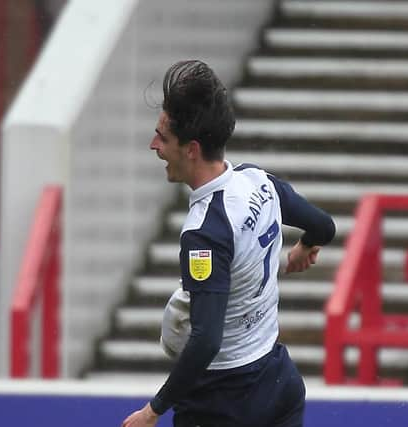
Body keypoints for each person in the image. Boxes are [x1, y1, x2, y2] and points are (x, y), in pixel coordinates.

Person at [122, 60, 336, 427]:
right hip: (278, 383)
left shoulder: (204, 233)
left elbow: (206, 340)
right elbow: (324, 226)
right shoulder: (257, 181)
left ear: (191, 149)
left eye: (162, 137)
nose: (153, 145)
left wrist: (152, 411)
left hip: (223, 403)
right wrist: (304, 246)